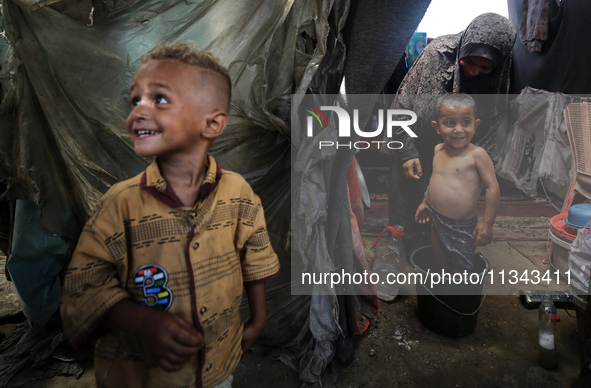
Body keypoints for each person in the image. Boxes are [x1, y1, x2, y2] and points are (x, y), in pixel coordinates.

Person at [60, 42, 280, 388]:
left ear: (212, 124)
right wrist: (139, 323)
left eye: (159, 99)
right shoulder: (120, 204)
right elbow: (81, 288)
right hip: (141, 376)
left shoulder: (239, 193)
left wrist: (258, 320)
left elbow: (256, 258)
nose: (138, 112)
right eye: (135, 100)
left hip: (217, 362)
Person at [388, 13, 516, 255]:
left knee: (449, 228)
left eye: (485, 67)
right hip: (415, 147)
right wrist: (406, 151)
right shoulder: (437, 54)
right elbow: (401, 105)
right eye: (469, 62)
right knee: (409, 221)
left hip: (460, 157)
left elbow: (494, 121)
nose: (474, 72)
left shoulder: (500, 76)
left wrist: (474, 163)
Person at [415, 93, 500, 272]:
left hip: (462, 227)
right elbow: (435, 179)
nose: (458, 129)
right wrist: (425, 202)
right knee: (439, 261)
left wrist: (487, 223)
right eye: (450, 123)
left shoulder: (477, 155)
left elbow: (492, 187)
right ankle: (442, 288)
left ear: (475, 125)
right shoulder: (438, 150)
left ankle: (460, 294)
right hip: (437, 219)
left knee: (462, 267)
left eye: (466, 122)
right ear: (437, 127)